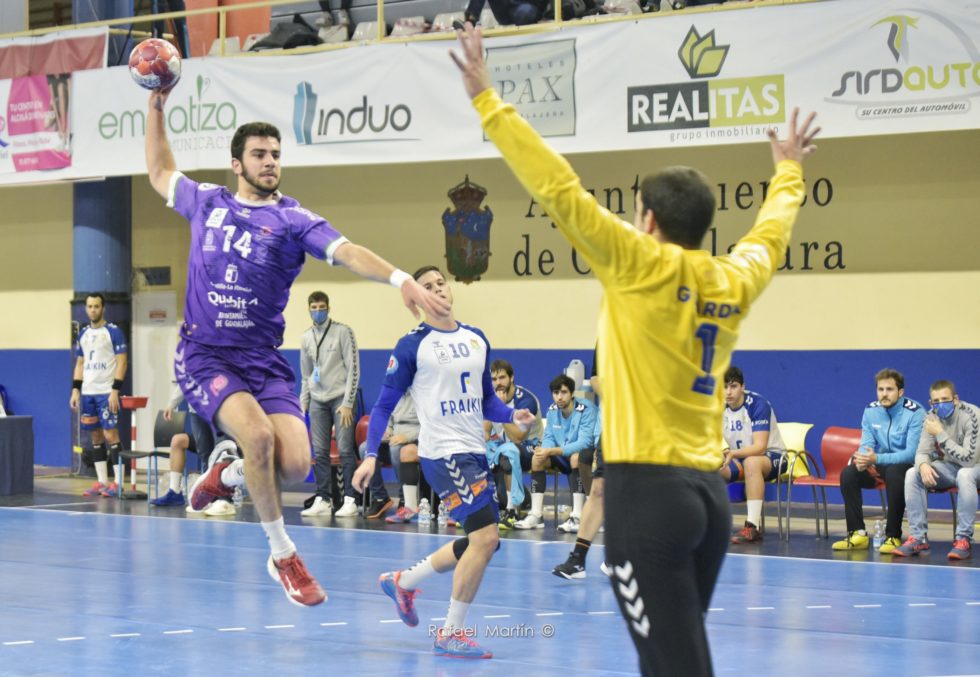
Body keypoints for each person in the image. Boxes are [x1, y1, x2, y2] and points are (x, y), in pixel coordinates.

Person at [450, 23, 819, 675]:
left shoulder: (635, 262)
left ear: (647, 220)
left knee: (676, 665)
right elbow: (770, 235)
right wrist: (788, 170)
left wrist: (486, 98)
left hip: (647, 497)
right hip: (708, 498)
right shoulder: (731, 277)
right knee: (676, 657)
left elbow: (557, 187)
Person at [144, 87, 449, 607]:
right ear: (237, 164)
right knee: (259, 437)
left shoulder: (292, 219)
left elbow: (348, 251)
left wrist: (400, 278)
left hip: (262, 360)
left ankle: (227, 473)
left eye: (276, 155)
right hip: (205, 355)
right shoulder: (206, 201)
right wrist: (156, 105)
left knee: (296, 464)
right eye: (259, 154)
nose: (270, 162)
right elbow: (158, 169)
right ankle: (283, 554)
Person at [352, 265, 534, 659]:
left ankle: (403, 581)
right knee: (485, 538)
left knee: (483, 542)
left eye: (440, 283)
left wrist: (511, 415)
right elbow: (383, 406)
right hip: (443, 453)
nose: (437, 289)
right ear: (416, 297)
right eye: (427, 286)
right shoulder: (411, 346)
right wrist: (371, 456)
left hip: (474, 451)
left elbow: (486, 400)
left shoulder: (476, 338)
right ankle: (450, 633)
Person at [832, 368, 925, 554]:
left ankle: (893, 536)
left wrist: (876, 458)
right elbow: (866, 443)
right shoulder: (871, 410)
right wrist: (862, 459)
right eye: (880, 389)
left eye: (889, 389)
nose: (884, 394)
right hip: (881, 463)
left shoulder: (915, 412)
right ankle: (857, 533)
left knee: (894, 472)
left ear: (900, 392)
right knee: (849, 473)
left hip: (908, 466)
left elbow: (911, 454)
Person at [894, 380, 980, 560]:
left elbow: (968, 460)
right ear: (930, 402)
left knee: (965, 474)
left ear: (955, 399)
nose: (941, 404)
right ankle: (918, 537)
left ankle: (963, 539)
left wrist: (940, 433)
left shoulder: (972, 415)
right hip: (951, 467)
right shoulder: (931, 417)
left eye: (945, 399)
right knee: (913, 473)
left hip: (974, 468)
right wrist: (923, 465)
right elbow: (921, 452)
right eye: (936, 401)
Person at [298, 290, 362, 518]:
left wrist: (348, 402)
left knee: (344, 449)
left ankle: (351, 499)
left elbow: (354, 368)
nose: (318, 311)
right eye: (314, 308)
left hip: (340, 400)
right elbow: (306, 375)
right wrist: (303, 404)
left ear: (328, 308)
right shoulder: (306, 337)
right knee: (320, 452)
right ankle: (323, 499)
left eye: (321, 307)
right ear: (309, 310)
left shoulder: (343, 331)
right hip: (318, 400)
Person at [514, 374, 596, 531]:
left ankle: (577, 516)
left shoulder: (586, 409)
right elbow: (549, 437)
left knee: (575, 458)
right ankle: (536, 515)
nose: (559, 397)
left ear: (572, 393)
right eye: (556, 393)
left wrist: (551, 450)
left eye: (564, 392)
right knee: (537, 459)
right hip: (562, 455)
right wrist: (544, 450)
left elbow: (584, 443)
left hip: (586, 456)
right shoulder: (552, 410)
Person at [553, 350, 607, 579]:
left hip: (647, 429)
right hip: (614, 428)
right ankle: (577, 560)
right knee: (598, 489)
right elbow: (595, 378)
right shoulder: (608, 335)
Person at [718, 366, 787, 544]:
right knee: (709, 468)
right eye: (724, 387)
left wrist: (732, 453)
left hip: (773, 457)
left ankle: (752, 527)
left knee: (752, 462)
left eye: (733, 386)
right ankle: (709, 523)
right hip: (740, 458)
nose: (728, 392)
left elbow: (760, 447)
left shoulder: (757, 404)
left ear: (743, 387)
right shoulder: (718, 407)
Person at [70, 293, 128, 498]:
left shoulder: (113, 332)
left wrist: (115, 390)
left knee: (110, 434)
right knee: (95, 435)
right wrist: (75, 390)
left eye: (96, 306)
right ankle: (102, 482)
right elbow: (80, 363)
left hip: (106, 392)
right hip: (88, 393)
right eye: (90, 306)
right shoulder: (83, 334)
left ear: (103, 308)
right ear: (86, 309)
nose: (93, 310)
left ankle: (119, 483)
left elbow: (122, 362)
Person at [484, 359, 543, 529]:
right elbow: (484, 433)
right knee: (476, 452)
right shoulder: (490, 398)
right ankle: (479, 509)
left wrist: (501, 409)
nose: (498, 383)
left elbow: (518, 437)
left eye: (502, 377)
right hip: (503, 448)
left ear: (512, 378)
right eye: (494, 379)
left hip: (530, 447)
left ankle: (511, 512)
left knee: (509, 451)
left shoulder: (526, 401)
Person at [381, 392, 424, 523]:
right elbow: (389, 418)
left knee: (397, 450)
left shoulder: (422, 393)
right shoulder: (394, 393)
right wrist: (387, 430)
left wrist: (407, 437)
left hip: (416, 440)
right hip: (394, 437)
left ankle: (405, 500)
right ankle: (380, 498)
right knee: (365, 449)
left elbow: (429, 424)